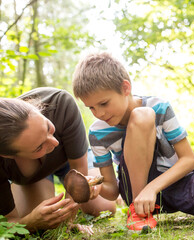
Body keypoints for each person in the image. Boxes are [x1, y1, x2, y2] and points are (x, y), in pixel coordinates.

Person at [72, 52, 194, 232]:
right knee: (142, 115)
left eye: (104, 103)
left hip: (176, 180)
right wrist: (95, 187)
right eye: (91, 108)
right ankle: (138, 211)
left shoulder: (159, 106)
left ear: (125, 88)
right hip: (135, 191)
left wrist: (152, 188)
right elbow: (112, 191)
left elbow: (189, 160)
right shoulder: (97, 132)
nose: (99, 113)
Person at [0, 87, 116, 233]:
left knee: (104, 208)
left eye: (48, 127)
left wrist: (68, 221)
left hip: (71, 158)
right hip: (35, 177)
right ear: (9, 156)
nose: (54, 143)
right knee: (42, 222)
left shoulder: (60, 103)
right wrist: (30, 222)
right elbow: (10, 221)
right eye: (38, 147)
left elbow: (79, 168)